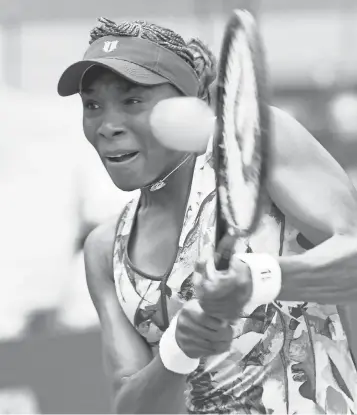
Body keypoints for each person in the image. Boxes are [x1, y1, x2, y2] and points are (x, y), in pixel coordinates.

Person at [57, 17, 357, 414]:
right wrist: (177, 351)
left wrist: (259, 278)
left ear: (188, 102)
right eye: (92, 105)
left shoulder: (257, 145)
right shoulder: (103, 250)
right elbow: (131, 407)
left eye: (132, 100)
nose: (108, 125)